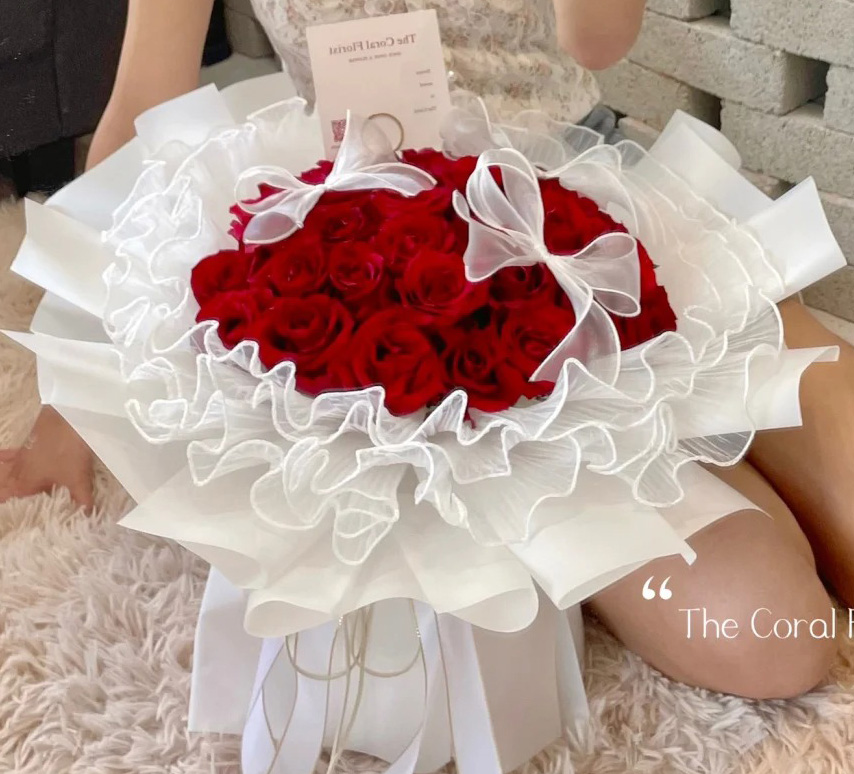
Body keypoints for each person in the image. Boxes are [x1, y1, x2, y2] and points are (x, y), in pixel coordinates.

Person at [2, 0, 851, 701]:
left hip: (588, 200)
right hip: (391, 262)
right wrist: (67, 398)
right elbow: (141, 107)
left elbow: (598, 40)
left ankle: (689, 415)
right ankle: (623, 464)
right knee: (776, 637)